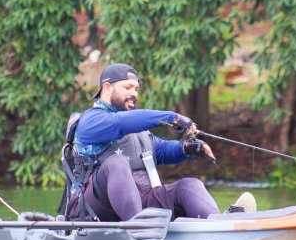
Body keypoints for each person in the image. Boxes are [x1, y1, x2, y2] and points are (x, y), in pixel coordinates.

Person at [63, 63, 255, 222]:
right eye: (127, 87)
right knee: (116, 162)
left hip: (139, 201)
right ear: (107, 87)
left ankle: (219, 225)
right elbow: (119, 124)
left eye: (136, 88)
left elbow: (162, 150)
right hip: (93, 208)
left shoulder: (138, 131)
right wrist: (172, 117)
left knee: (189, 185)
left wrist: (187, 148)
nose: (134, 94)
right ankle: (139, 228)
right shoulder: (90, 122)